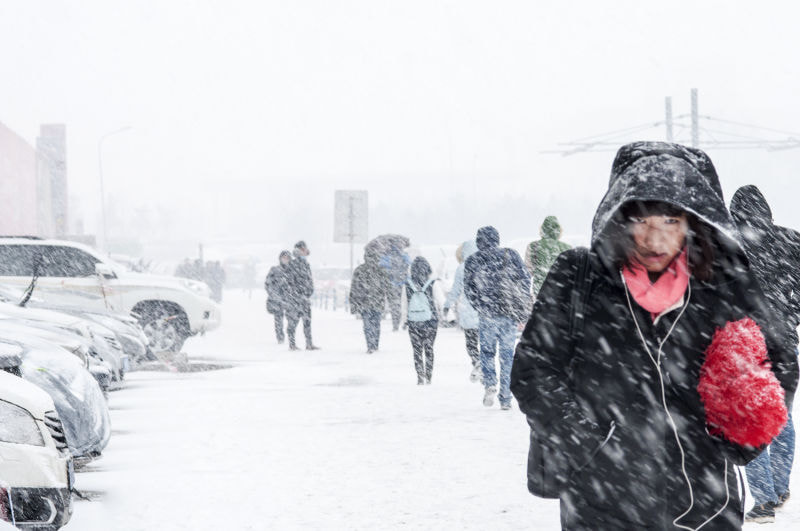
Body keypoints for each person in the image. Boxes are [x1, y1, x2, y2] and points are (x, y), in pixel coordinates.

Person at [510, 142, 798, 530]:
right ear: (618, 217)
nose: (654, 239)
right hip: (601, 505)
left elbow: (780, 361)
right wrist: (585, 441)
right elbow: (533, 368)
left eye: (670, 221)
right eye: (641, 221)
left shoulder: (722, 283)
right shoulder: (579, 277)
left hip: (705, 505)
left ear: (694, 222)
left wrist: (741, 437)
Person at [730, 185, 800, 523]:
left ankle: (764, 500)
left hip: (744, 345)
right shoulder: (791, 241)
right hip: (784, 344)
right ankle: (780, 487)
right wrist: (790, 315)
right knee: (781, 417)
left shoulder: (727, 245)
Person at [464, 226, 531, 410]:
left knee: (486, 352)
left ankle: (490, 383)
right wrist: (518, 304)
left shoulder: (473, 260)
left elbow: (469, 289)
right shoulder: (510, 255)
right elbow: (525, 279)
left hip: (487, 314)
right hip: (508, 313)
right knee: (507, 356)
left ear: (479, 241)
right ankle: (505, 398)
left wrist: (480, 305)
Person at [443, 240, 481, 382]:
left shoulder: (462, 268)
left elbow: (455, 290)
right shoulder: (484, 265)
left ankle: (476, 361)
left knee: (471, 341)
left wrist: (447, 304)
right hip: (483, 311)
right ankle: (483, 364)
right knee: (484, 342)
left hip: (467, 310)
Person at [349, 248, 391, 353]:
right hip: (377, 301)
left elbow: (354, 288)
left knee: (367, 324)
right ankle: (375, 344)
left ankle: (370, 345)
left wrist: (353, 303)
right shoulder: (381, 270)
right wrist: (387, 297)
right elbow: (387, 286)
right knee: (376, 323)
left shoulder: (360, 270)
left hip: (364, 302)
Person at [405, 257, 439, 384]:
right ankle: (429, 376)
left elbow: (404, 304)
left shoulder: (407, 284)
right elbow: (440, 300)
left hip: (413, 321)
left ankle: (420, 376)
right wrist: (447, 315)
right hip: (430, 321)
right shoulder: (432, 283)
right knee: (429, 348)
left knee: (417, 350)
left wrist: (405, 320)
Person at [525, 215, 571, 298]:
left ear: (542, 229)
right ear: (559, 230)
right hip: (561, 292)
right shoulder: (567, 248)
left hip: (539, 291)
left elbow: (528, 271)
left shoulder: (533, 246)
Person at [285, 241, 319, 351]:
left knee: (306, 321)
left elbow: (308, 280)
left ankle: (308, 344)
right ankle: (292, 344)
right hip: (297, 298)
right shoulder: (295, 263)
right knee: (294, 322)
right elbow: (291, 281)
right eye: (305, 248)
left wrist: (309, 291)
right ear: (301, 249)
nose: (306, 250)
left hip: (303, 297)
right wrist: (298, 293)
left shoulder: (304, 263)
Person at [381, 244, 411, 331]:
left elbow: (382, 266)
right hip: (403, 283)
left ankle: (395, 324)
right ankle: (405, 322)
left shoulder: (386, 257)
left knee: (394, 305)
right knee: (405, 304)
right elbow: (409, 263)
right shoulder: (404, 256)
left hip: (391, 284)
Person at [265, 251, 292, 344]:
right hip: (277, 300)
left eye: (287, 258)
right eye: (283, 258)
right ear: (280, 259)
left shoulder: (293, 270)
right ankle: (280, 337)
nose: (285, 260)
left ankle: (291, 337)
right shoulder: (274, 270)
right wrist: (274, 295)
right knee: (278, 320)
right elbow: (268, 284)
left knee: (292, 319)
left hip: (290, 299)